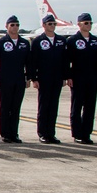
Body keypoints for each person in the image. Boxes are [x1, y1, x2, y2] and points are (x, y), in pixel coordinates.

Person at [28, 14, 69, 144]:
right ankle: (42, 133)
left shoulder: (61, 41)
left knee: (53, 106)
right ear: (44, 25)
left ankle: (51, 133)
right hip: (43, 78)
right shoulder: (38, 41)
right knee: (44, 106)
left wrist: (65, 77)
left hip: (57, 78)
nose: (52, 26)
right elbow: (33, 61)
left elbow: (65, 61)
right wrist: (33, 78)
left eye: (54, 24)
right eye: (49, 24)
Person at [65, 13, 97, 144]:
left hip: (92, 78)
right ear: (79, 24)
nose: (88, 25)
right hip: (77, 78)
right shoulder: (72, 41)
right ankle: (77, 133)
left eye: (90, 23)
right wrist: (69, 76)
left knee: (90, 107)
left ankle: (86, 133)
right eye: (86, 23)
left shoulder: (96, 41)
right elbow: (67, 61)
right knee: (76, 107)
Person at [0, 15, 30, 143]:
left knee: (16, 107)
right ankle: (5, 133)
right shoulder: (1, 43)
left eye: (17, 25)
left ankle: (14, 133)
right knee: (5, 107)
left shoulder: (24, 43)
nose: (15, 27)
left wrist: (28, 77)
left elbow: (29, 62)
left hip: (19, 80)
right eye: (12, 25)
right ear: (6, 26)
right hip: (5, 80)